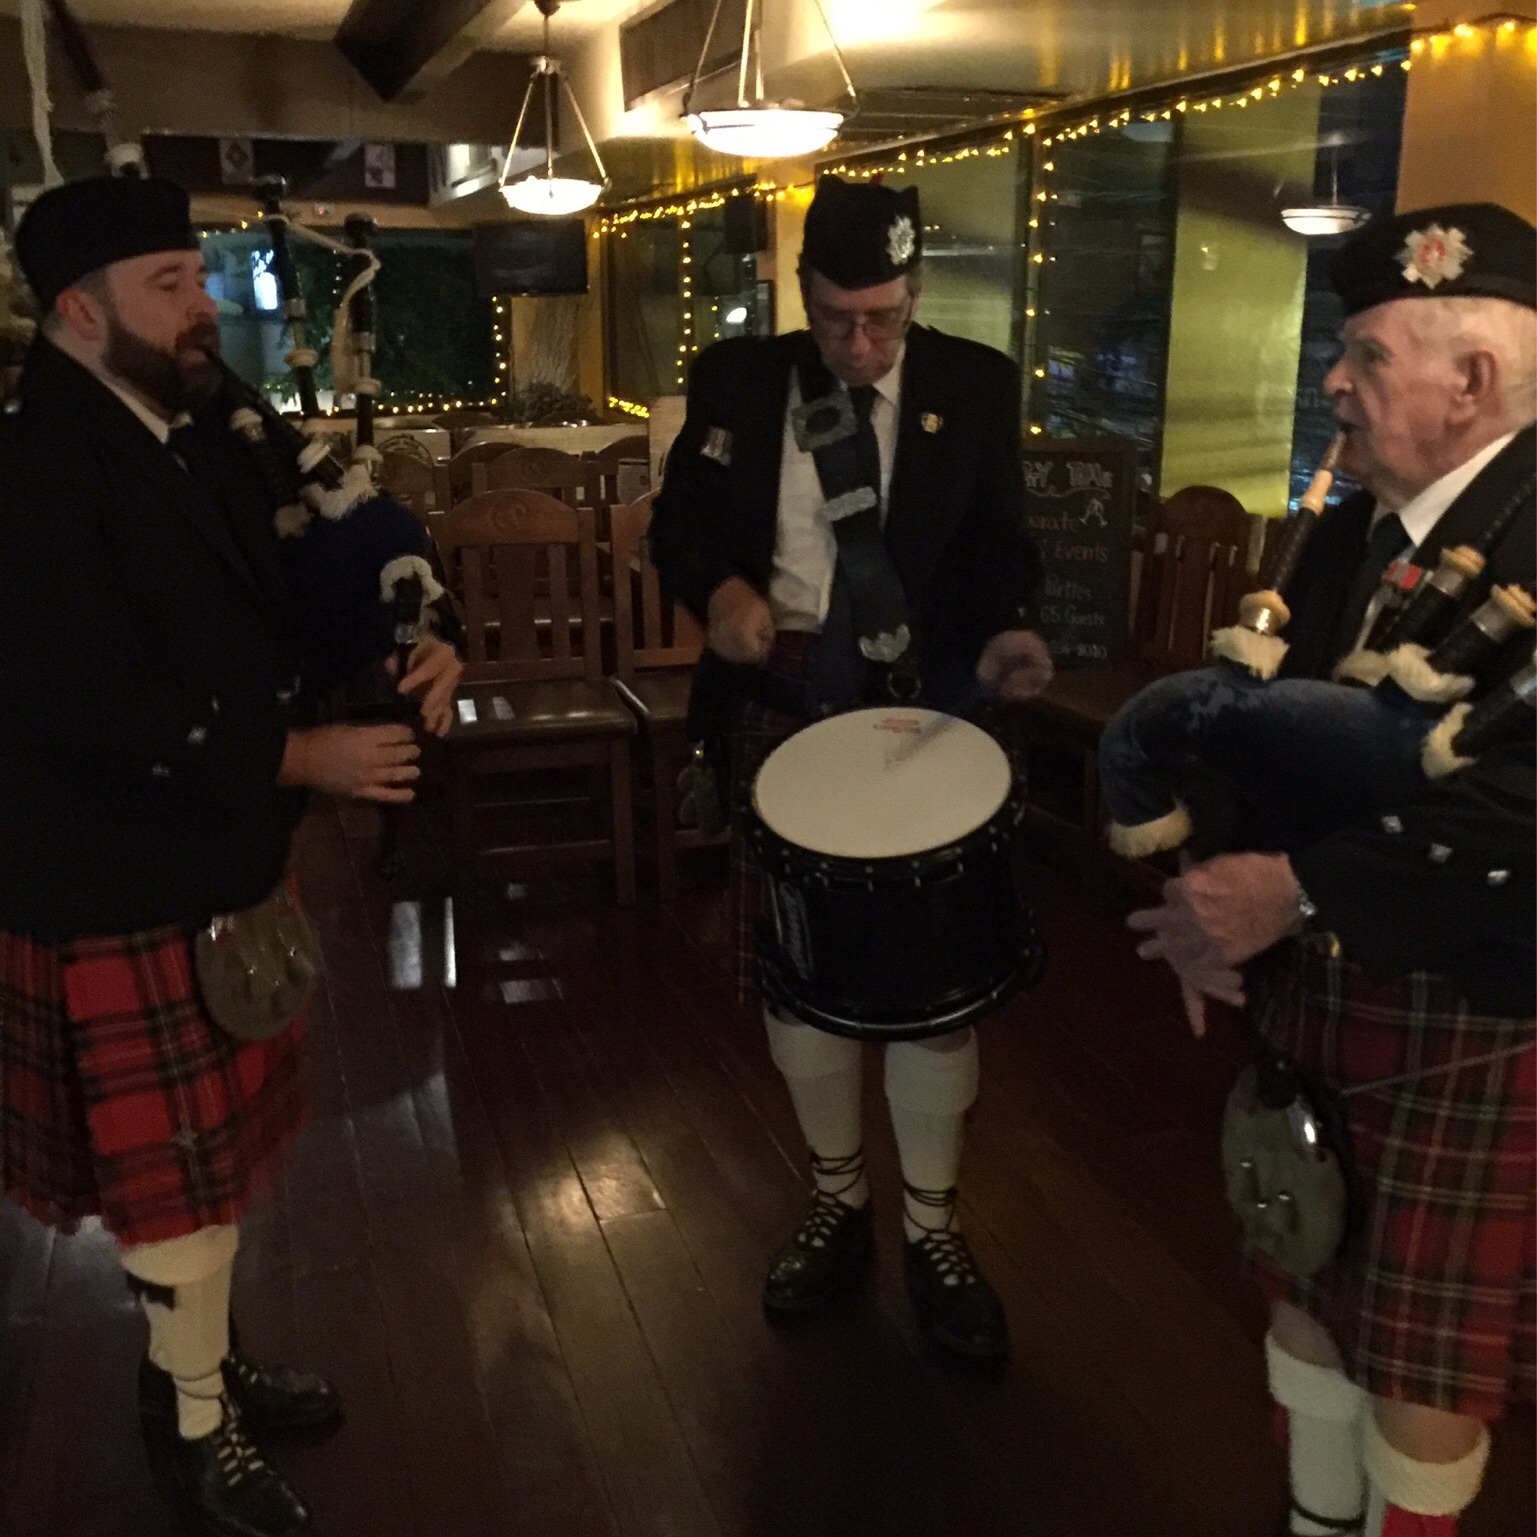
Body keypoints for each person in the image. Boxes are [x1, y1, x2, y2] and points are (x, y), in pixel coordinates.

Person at [0, 176, 462, 1537]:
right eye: (172, 286)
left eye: (198, 278)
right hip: (112, 874)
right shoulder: (29, 464)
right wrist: (298, 761)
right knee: (175, 1187)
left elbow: (328, 559)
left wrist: (403, 637)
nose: (206, 306)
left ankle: (194, 1359)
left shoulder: (206, 422)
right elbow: (80, 700)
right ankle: (194, 1430)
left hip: (217, 859)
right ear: (80, 312)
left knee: (208, 1164)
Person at [1129, 203, 1534, 1537]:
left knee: (1420, 1370)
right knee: (1302, 1282)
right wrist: (1208, 898)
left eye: (1360, 352)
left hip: (1468, 1005)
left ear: (1469, 380)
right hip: (1322, 987)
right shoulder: (1350, 529)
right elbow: (1251, 734)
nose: (1332, 383)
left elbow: (1521, 805)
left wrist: (1289, 892)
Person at [651, 173, 1053, 1361]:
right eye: (836, 320)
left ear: (916, 293)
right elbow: (677, 528)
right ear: (801, 295)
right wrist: (719, 593)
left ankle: (932, 1224)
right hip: (782, 704)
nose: (862, 344)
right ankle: (837, 1197)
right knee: (800, 974)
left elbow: (1001, 551)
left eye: (883, 317)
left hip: (926, 719)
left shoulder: (974, 385)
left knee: (936, 991)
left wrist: (1012, 628)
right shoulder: (734, 381)